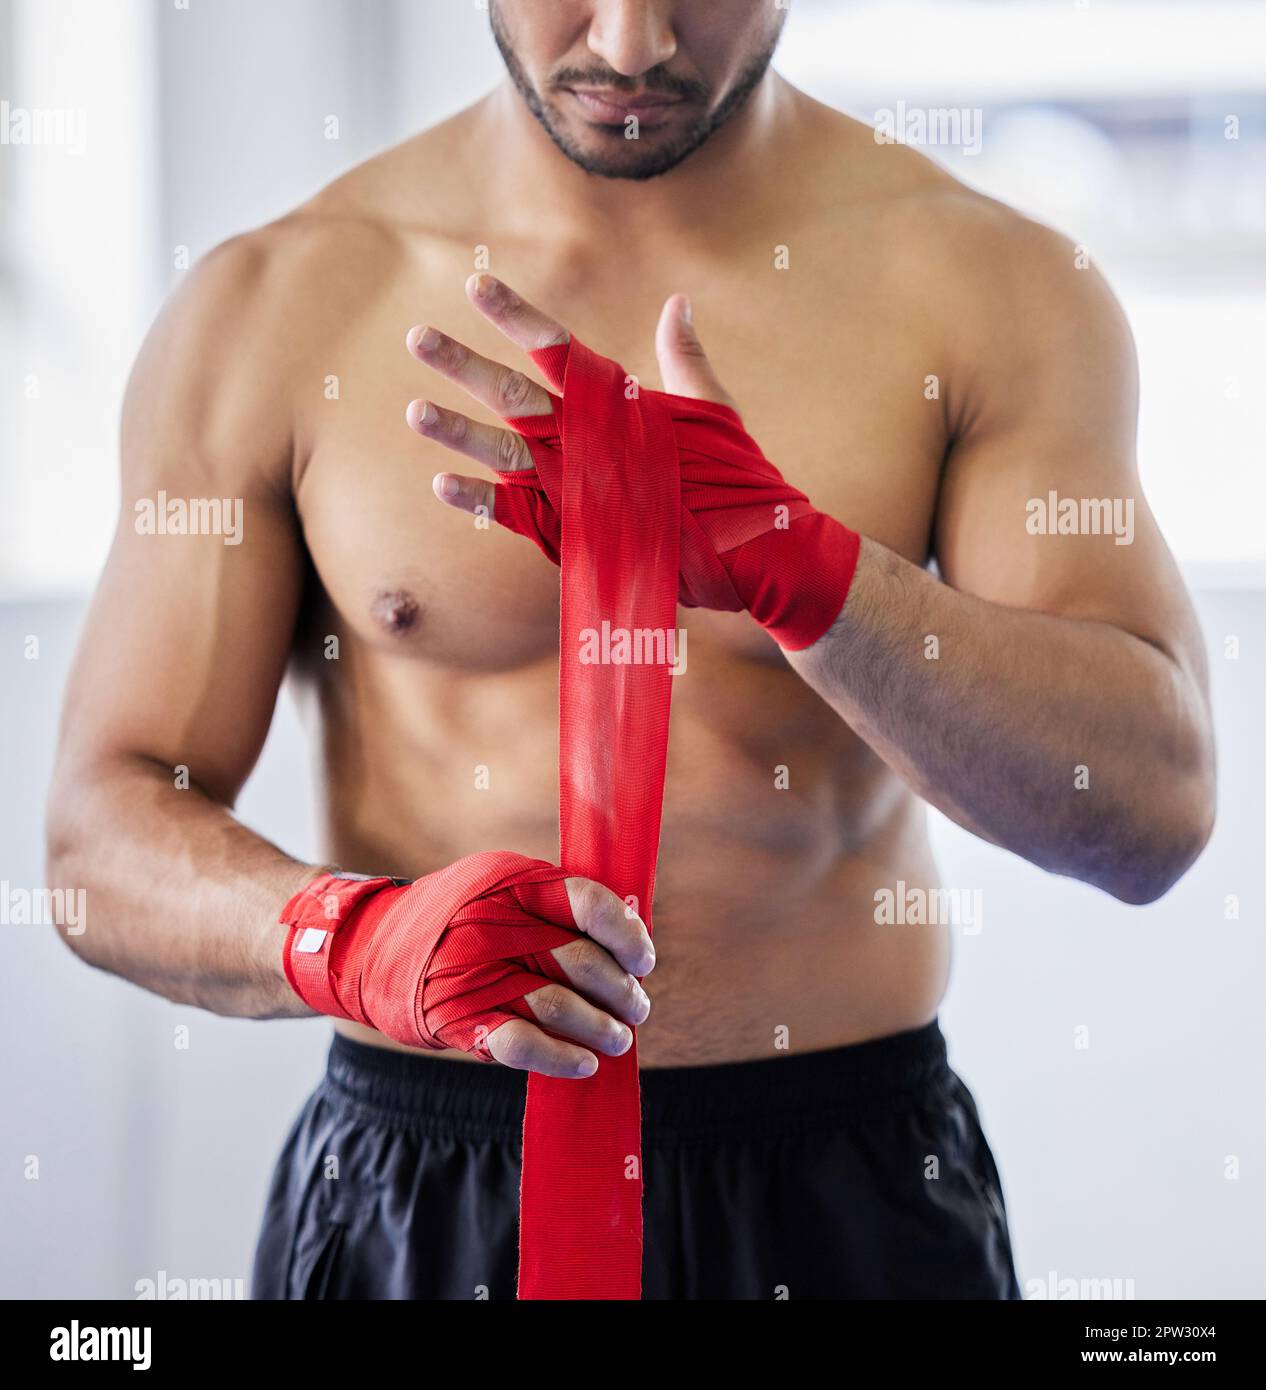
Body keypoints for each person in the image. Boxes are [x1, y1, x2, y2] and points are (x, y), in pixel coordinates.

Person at [46, 0, 1215, 1300]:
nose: (629, 44)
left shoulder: (984, 288)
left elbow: (1146, 809)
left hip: (846, 1187)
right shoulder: (273, 302)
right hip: (423, 1176)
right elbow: (99, 840)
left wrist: (810, 573)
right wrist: (350, 939)